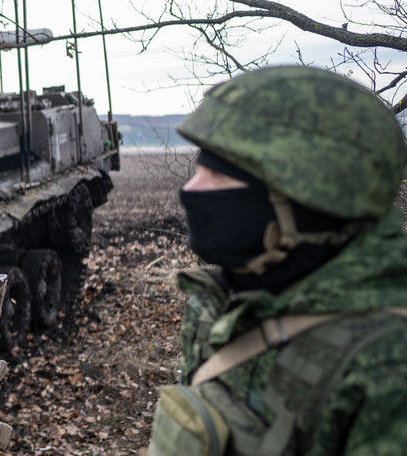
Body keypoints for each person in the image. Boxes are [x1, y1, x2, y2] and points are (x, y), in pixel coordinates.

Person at [146, 65, 407, 455]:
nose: (191, 189)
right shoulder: (224, 297)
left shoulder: (386, 367)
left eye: (220, 176)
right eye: (199, 167)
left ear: (305, 201)